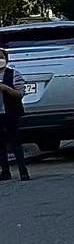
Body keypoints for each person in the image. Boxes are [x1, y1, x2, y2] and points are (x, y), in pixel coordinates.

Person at [0, 48, 30, 182]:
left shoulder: (13, 74)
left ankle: (23, 171)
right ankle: (5, 171)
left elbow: (19, 94)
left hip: (11, 113)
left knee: (15, 142)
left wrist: (5, 88)